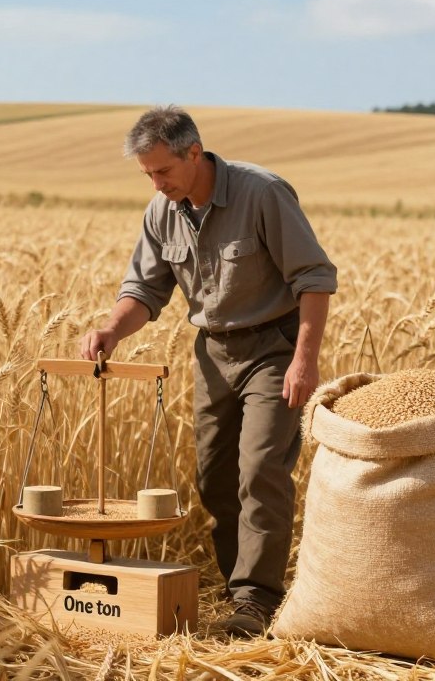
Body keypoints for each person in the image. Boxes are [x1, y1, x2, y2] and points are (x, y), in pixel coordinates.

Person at [80, 105, 337, 637]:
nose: (156, 183)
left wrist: (303, 361)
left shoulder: (261, 194)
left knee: (260, 468)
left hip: (273, 347)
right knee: (214, 478)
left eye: (163, 171)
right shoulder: (161, 211)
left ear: (194, 153)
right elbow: (145, 291)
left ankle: (256, 600)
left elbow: (314, 278)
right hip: (212, 352)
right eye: (147, 174)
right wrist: (110, 331)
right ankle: (237, 591)